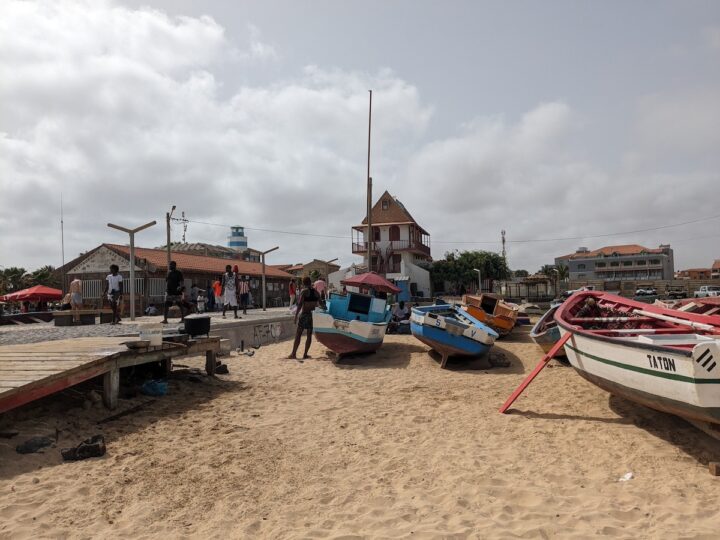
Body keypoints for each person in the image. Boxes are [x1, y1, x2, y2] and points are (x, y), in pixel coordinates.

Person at [289, 277, 319, 360]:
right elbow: (321, 304)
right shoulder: (316, 292)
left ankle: (293, 354)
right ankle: (305, 354)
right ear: (310, 282)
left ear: (303, 283)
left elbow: (299, 305)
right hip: (311, 315)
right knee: (309, 335)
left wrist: (296, 316)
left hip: (304, 315)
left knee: (298, 334)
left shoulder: (304, 291)